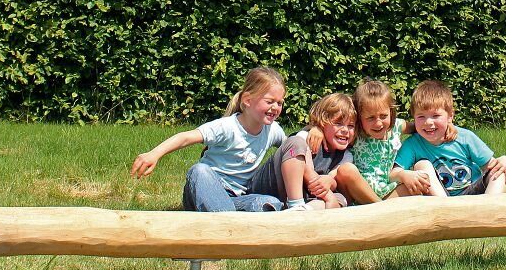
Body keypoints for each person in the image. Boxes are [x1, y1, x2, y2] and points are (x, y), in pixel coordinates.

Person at [130, 67, 287, 212]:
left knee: (268, 203)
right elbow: (185, 137)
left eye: (280, 103)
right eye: (269, 101)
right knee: (200, 171)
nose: (276, 107)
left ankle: (226, 217)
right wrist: (154, 154)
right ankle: (228, 224)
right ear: (247, 100)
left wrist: (312, 129)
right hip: (205, 190)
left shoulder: (273, 130)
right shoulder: (226, 127)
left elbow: (293, 146)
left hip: (238, 198)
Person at [392, 80, 506, 196]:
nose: (428, 122)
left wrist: (504, 160)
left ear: (450, 116)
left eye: (436, 115)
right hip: (440, 197)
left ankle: (489, 207)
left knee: (499, 171)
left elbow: (491, 165)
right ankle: (445, 207)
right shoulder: (413, 144)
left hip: (475, 194)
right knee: (421, 165)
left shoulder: (465, 137)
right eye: (421, 116)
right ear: (414, 117)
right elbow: (393, 174)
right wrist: (404, 175)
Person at [252, 92, 364, 210]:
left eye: (351, 126)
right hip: (269, 185)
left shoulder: (346, 156)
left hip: (301, 194)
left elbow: (332, 178)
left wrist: (329, 181)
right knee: (296, 144)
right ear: (322, 122)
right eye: (338, 123)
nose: (345, 130)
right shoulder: (307, 137)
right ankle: (297, 205)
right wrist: (328, 196)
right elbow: (303, 167)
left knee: (340, 198)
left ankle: (305, 213)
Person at [345, 79, 443, 202]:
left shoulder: (398, 126)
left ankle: (384, 209)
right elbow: (332, 130)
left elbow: (420, 126)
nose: (378, 123)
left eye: (383, 116)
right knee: (346, 171)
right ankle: (380, 207)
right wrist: (318, 130)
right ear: (359, 117)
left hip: (389, 190)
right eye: (370, 118)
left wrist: (447, 126)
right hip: (362, 194)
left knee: (420, 183)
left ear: (391, 112)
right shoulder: (356, 133)